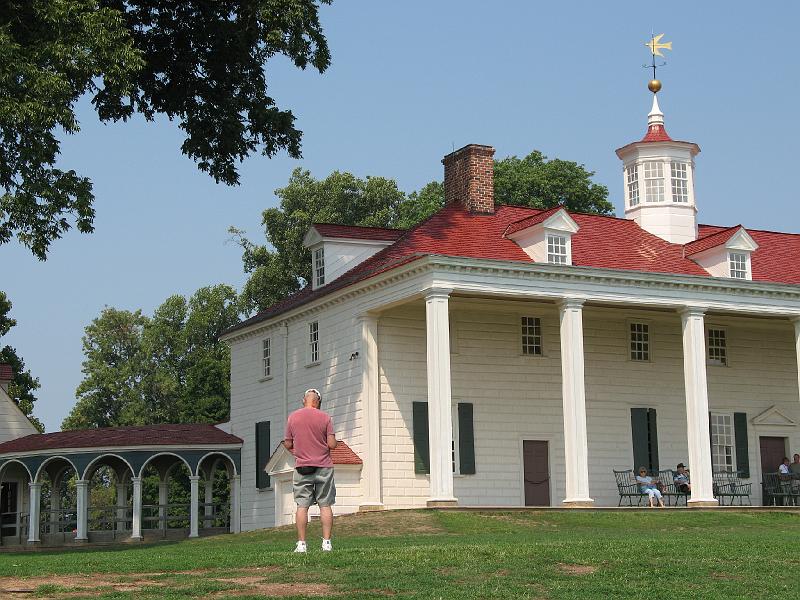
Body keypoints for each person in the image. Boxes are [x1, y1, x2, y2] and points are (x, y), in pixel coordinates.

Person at [283, 388, 338, 553]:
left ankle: (301, 544)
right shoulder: (325, 418)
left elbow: (287, 443)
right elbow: (332, 444)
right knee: (325, 505)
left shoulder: (293, 417)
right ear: (318, 402)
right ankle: (326, 543)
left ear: (303, 400)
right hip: (323, 466)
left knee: (302, 505)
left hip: (302, 467)